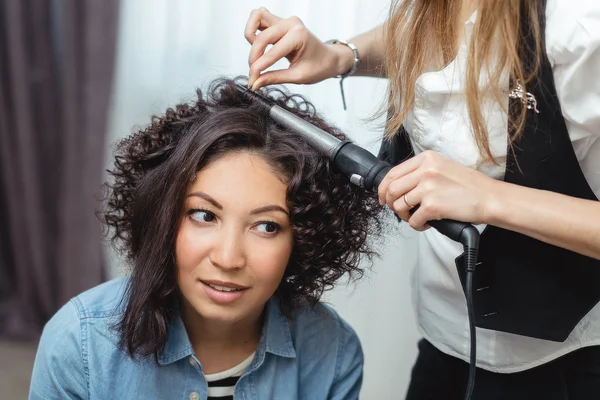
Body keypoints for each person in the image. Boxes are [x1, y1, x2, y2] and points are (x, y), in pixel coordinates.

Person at [244, 0, 600, 399]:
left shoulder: (580, 24)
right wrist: (341, 56)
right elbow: (428, 34)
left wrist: (491, 199)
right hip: (444, 337)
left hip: (561, 363)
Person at [28, 78, 384, 400]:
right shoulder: (81, 343)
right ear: (163, 218)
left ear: (303, 238)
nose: (228, 259)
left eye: (266, 226)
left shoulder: (333, 352)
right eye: (204, 215)